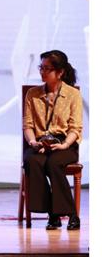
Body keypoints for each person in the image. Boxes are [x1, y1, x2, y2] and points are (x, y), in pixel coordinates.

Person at [22, 50, 83, 230]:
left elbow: (75, 128)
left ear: (60, 72)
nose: (42, 72)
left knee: (54, 163)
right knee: (32, 161)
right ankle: (53, 214)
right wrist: (33, 143)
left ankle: (70, 214)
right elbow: (28, 125)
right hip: (40, 142)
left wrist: (64, 144)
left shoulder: (72, 94)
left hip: (65, 142)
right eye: (41, 67)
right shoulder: (32, 94)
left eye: (47, 69)